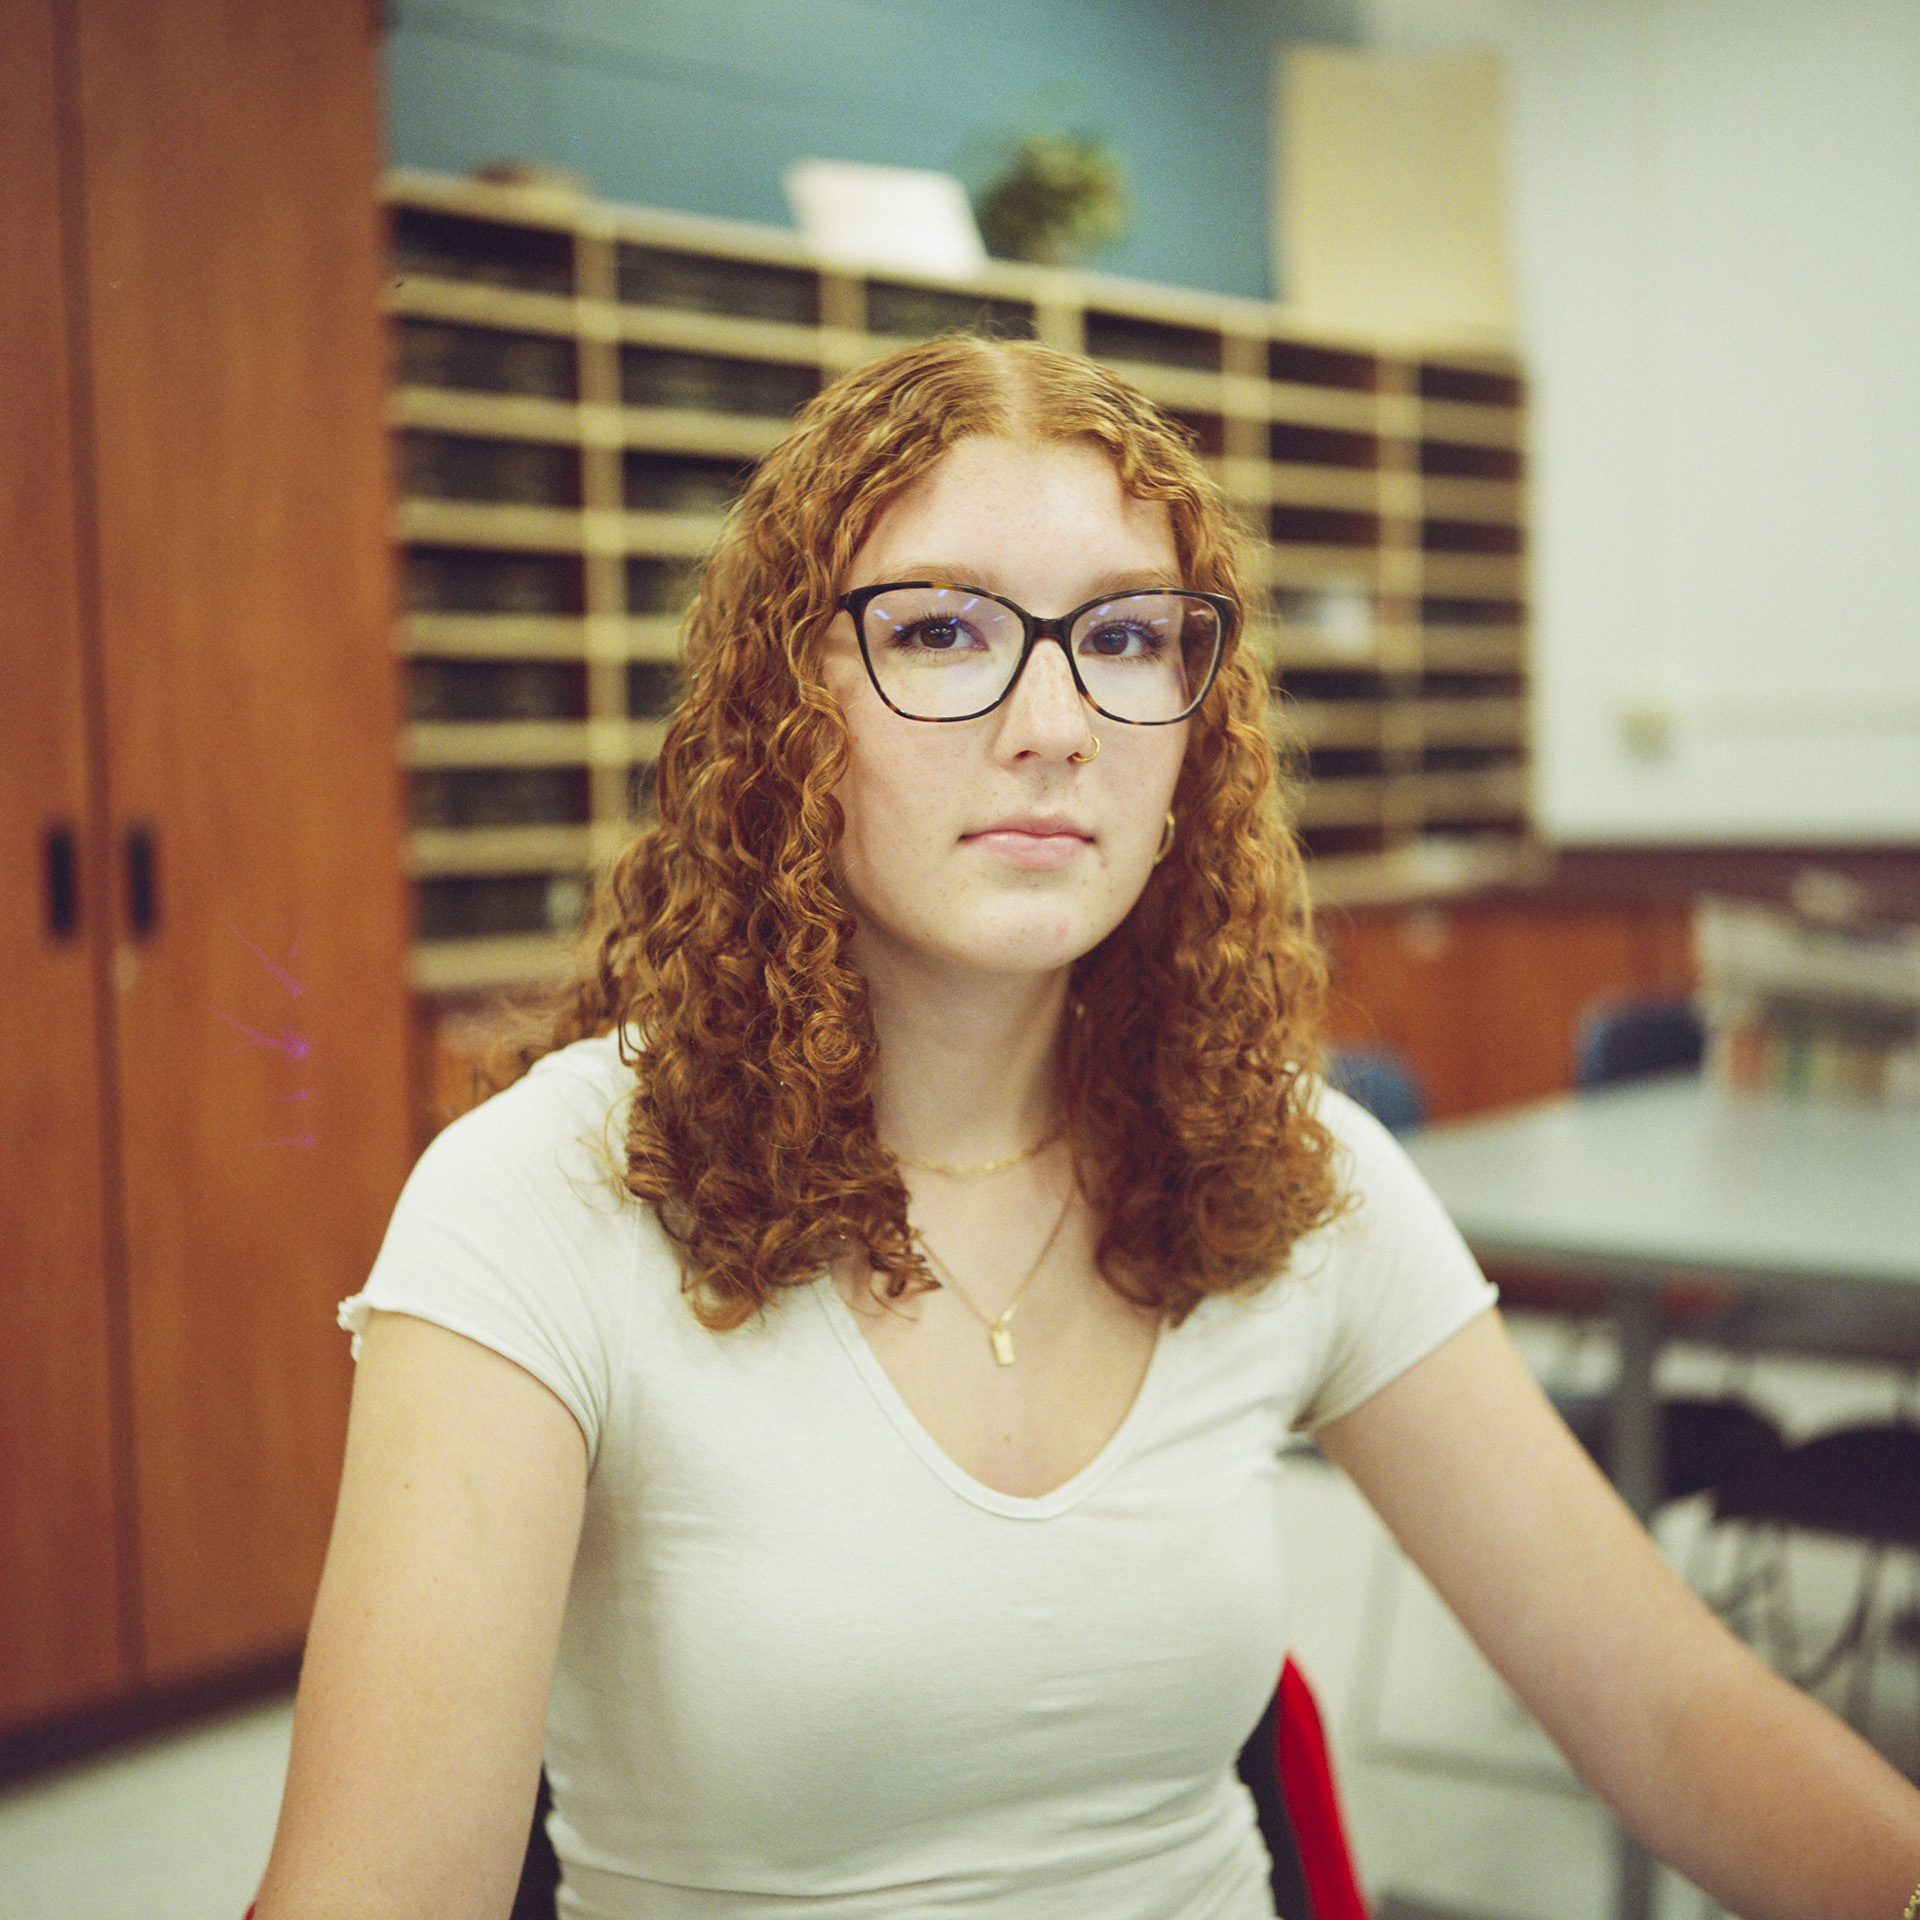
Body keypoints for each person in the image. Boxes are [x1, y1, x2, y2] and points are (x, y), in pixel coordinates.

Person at [254, 337, 1920, 1920]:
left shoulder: (1285, 1171)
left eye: (1126, 638)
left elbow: (1673, 1707)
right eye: (943, 631)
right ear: (788, 707)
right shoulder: (538, 1202)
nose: (1054, 721)